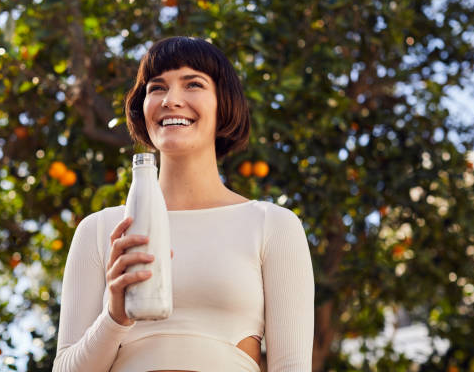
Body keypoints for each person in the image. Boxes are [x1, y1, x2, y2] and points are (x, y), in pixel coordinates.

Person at [52, 36, 315, 371]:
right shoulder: (100, 230)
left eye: (193, 84)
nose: (171, 100)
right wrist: (115, 317)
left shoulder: (272, 225)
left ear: (224, 104)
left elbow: (291, 367)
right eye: (157, 87)